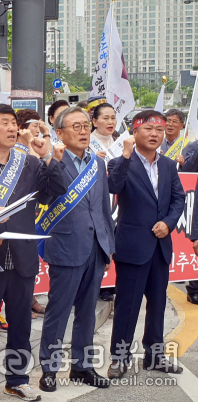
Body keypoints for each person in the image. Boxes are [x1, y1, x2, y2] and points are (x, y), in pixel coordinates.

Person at [0, 103, 66, 402]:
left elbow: (53, 192)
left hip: (22, 255)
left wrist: (46, 155)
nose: (12, 128)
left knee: (20, 322)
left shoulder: (30, 163)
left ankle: (17, 379)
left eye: (13, 123)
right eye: (5, 123)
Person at [38, 107, 114, 392]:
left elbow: (104, 209)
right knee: (58, 312)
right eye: (76, 127)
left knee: (87, 312)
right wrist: (53, 162)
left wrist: (108, 247)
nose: (84, 132)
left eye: (86, 126)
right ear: (59, 133)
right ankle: (49, 369)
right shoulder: (50, 162)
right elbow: (45, 197)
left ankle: (82, 367)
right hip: (66, 246)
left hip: (96, 247)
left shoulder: (98, 163)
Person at [106, 110, 185, 379]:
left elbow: (178, 199)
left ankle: (155, 356)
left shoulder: (168, 165)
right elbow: (113, 187)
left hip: (160, 247)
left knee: (158, 303)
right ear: (135, 132)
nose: (155, 135)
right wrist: (126, 156)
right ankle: (120, 357)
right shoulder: (120, 162)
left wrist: (169, 223)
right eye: (149, 129)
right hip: (132, 247)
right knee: (127, 305)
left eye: (159, 130)